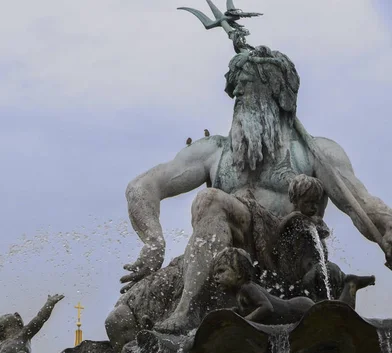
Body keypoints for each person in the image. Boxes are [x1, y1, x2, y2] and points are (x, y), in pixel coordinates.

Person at [121, 46, 392, 333]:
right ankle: (187, 309)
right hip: (228, 260)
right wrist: (153, 241)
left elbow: (361, 205)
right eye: (238, 94)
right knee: (122, 320)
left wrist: (387, 228)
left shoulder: (316, 152)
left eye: (250, 91)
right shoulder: (215, 151)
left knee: (211, 199)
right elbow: (141, 186)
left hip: (289, 257)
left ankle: (189, 310)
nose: (241, 100)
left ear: (280, 97)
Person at [212, 248, 375, 324]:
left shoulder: (248, 288)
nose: (216, 277)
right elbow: (243, 311)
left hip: (298, 308)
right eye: (215, 274)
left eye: (221, 271)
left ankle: (350, 285)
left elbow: (267, 307)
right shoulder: (240, 295)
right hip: (293, 311)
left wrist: (244, 321)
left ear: (239, 273)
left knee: (335, 320)